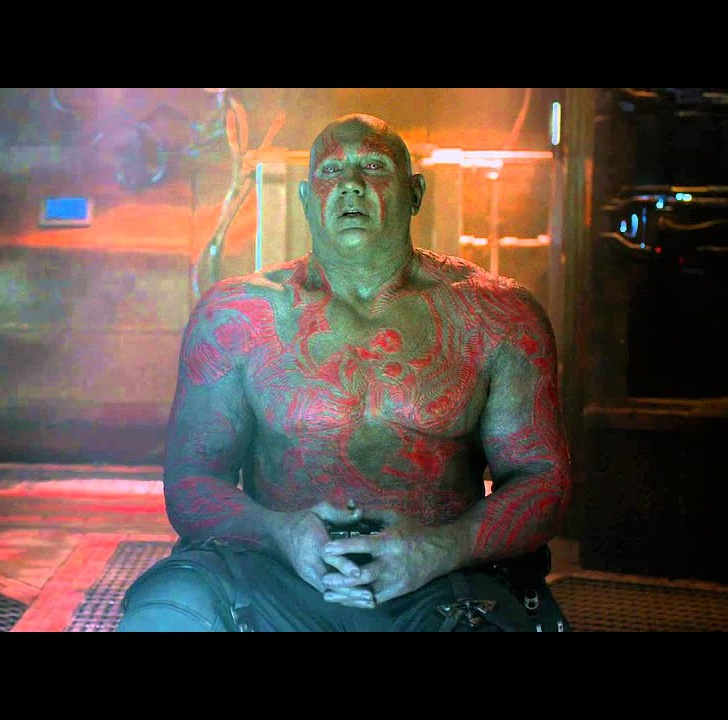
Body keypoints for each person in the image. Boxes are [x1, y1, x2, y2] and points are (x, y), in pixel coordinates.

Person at [116, 113, 572, 632]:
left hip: (439, 582)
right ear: (307, 198)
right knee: (166, 612)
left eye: (373, 167)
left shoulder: (498, 315)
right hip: (272, 572)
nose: (351, 185)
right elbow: (192, 480)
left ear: (415, 193)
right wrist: (280, 535)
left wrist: (439, 548)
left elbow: (543, 481)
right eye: (332, 171)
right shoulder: (237, 316)